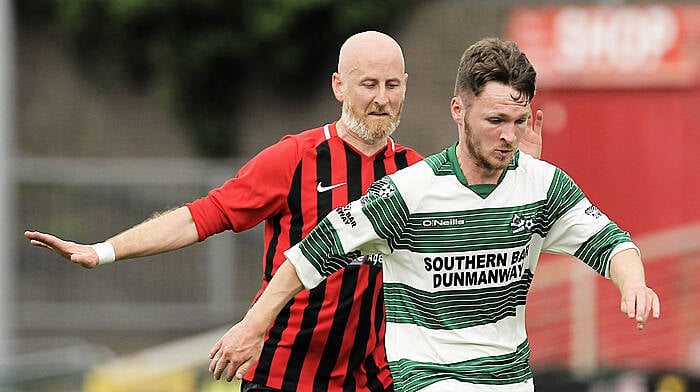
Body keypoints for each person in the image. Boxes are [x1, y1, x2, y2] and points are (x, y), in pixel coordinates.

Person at [25, 32, 543, 391]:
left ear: (406, 86)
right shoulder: (295, 159)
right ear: (340, 86)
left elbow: (484, 238)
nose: (381, 99)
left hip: (375, 380)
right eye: (368, 85)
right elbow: (202, 216)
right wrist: (104, 250)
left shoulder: (417, 175)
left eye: (392, 85)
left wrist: (523, 173)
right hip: (283, 376)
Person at [207, 37, 660, 392]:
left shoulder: (543, 185)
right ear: (458, 111)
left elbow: (612, 243)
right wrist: (254, 324)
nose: (509, 135)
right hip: (426, 379)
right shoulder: (410, 191)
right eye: (495, 120)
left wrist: (634, 283)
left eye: (518, 122)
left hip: (509, 381)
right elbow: (312, 253)